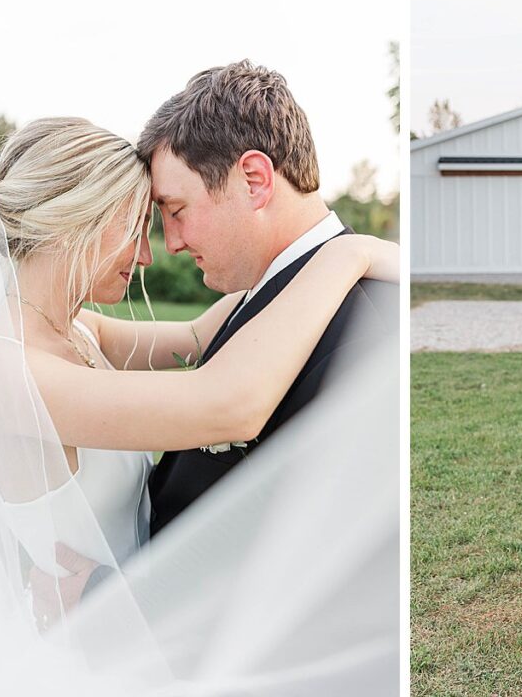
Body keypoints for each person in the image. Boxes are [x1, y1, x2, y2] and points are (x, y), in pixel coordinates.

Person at [0, 116, 399, 695]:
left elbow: (208, 332)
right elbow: (227, 403)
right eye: (135, 230)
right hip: (78, 651)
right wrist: (348, 255)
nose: (149, 255)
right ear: (73, 223)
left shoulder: (78, 330)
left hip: (141, 630)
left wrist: (304, 242)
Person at [136, 62, 398, 535]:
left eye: (176, 210)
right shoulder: (262, 292)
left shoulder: (368, 328)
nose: (170, 242)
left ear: (254, 179)